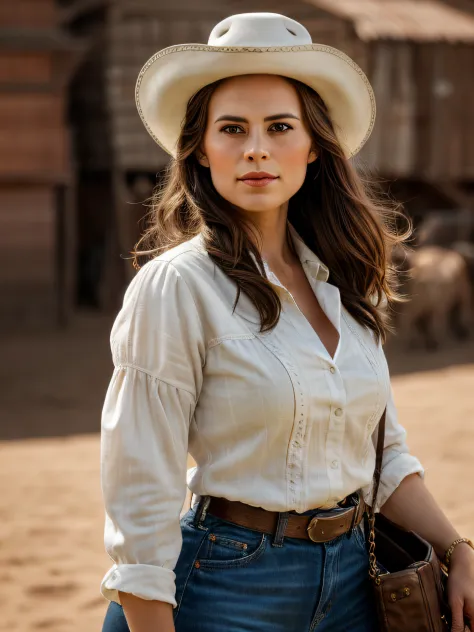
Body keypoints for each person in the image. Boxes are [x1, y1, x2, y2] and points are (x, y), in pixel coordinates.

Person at [100, 12, 474, 632]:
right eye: (232, 128)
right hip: (223, 586)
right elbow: (140, 489)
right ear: (200, 147)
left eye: (279, 127)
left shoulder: (345, 284)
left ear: (313, 147)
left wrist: (460, 550)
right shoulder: (176, 287)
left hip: (359, 582)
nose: (255, 148)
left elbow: (381, 458)